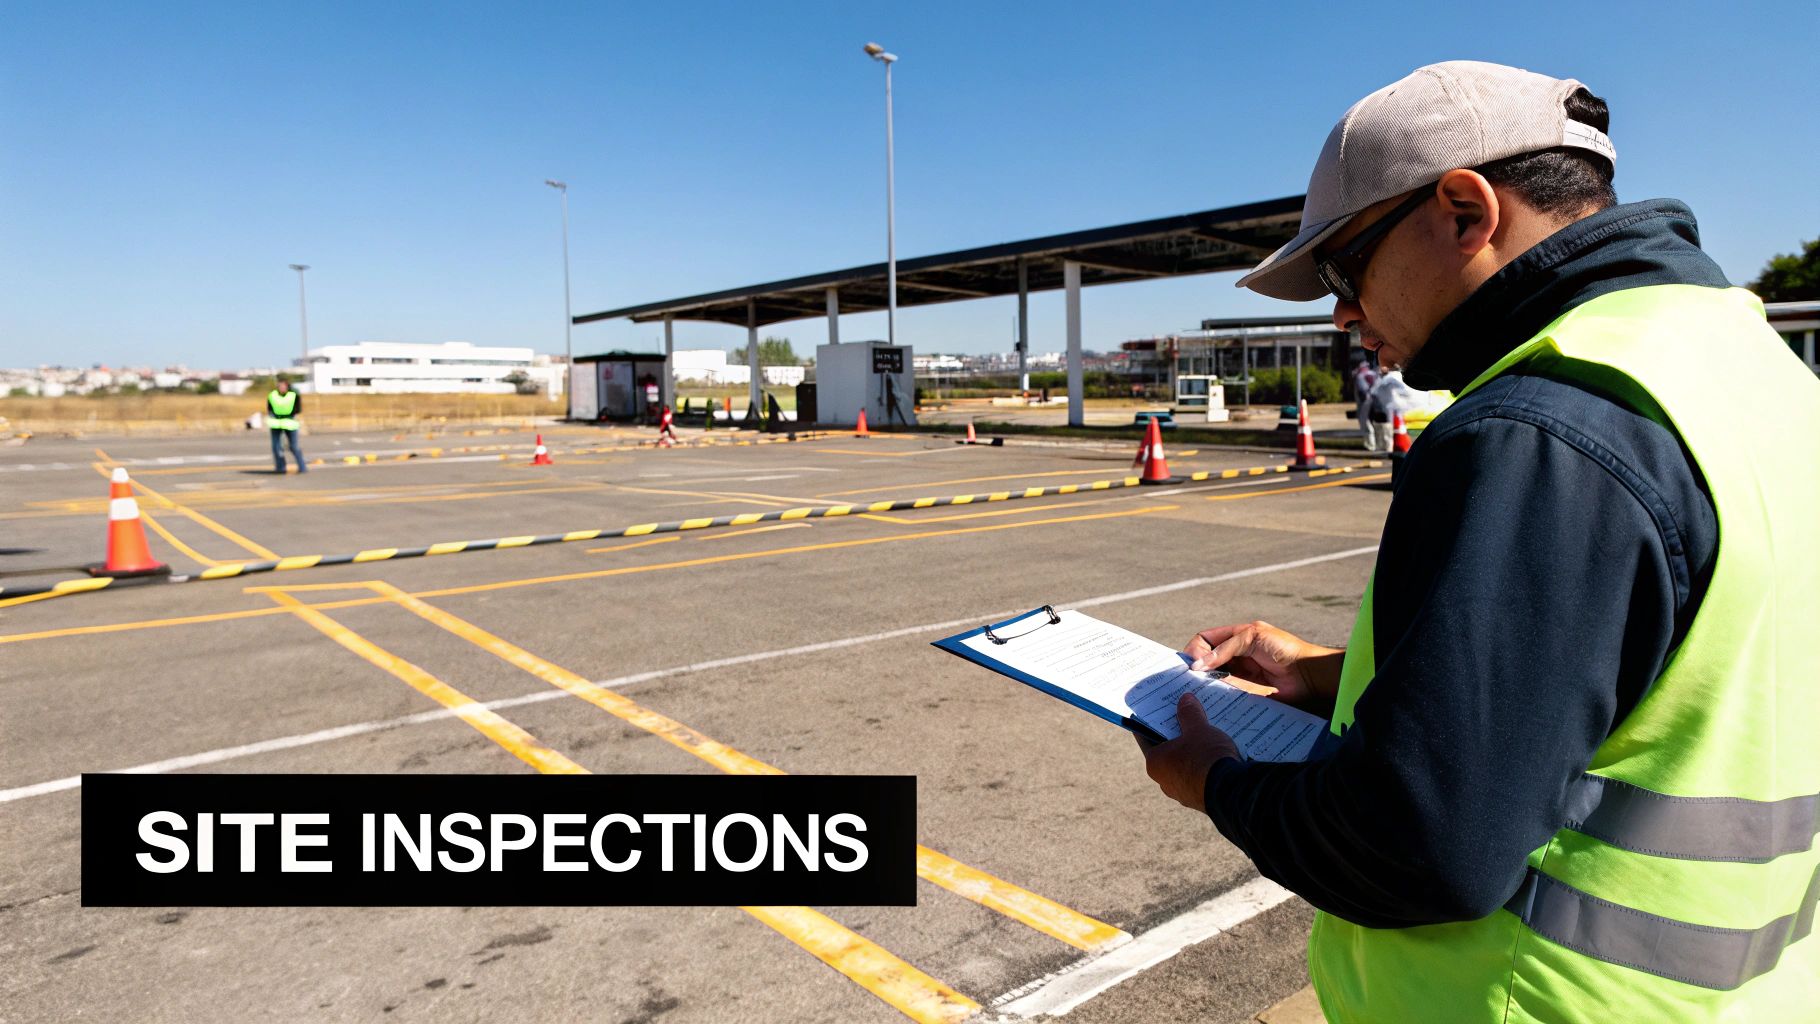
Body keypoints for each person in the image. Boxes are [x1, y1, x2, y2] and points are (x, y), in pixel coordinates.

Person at [1136, 61, 1818, 1022]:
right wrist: (1334, 673)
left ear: (1465, 211)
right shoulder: (1746, 370)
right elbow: (1695, 663)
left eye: (1343, 269)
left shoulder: (1538, 430)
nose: (1343, 314)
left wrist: (1216, 782)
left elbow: (1414, 848)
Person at [264, 379, 306, 474]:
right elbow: (269, 408)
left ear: (287, 386)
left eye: (283, 386)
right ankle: (281, 468)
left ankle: (302, 467)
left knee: (294, 446)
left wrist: (288, 414)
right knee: (277, 447)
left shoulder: (293, 395)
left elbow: (298, 408)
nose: (281, 388)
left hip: (289, 423)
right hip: (276, 423)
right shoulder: (272, 395)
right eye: (279, 386)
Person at [1350, 358, 1379, 445]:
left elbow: (1362, 392)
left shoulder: (1360, 376)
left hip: (1365, 403)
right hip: (1376, 403)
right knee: (1375, 424)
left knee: (1367, 425)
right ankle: (1376, 443)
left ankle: (1371, 444)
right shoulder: (1374, 374)